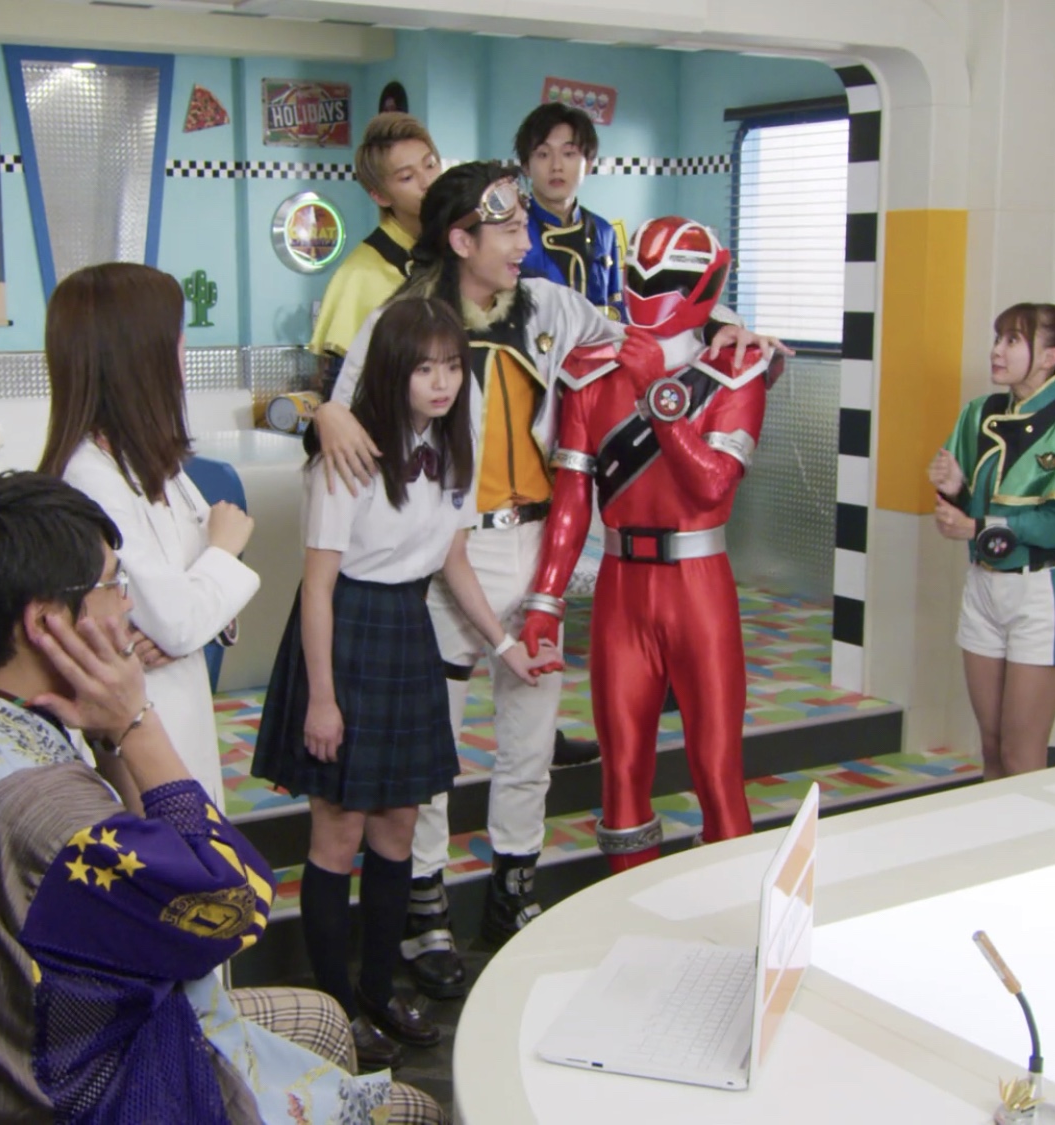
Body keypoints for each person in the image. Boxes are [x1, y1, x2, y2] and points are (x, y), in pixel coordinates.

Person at [312, 162, 783, 999]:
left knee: (529, 737)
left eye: (523, 226)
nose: (523, 241)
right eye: (507, 230)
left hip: (533, 543)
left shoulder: (548, 304)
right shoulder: (401, 320)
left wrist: (732, 329)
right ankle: (425, 902)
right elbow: (349, 411)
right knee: (431, 748)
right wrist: (324, 412)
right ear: (461, 239)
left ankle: (513, 884)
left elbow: (643, 327)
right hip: (440, 555)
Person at [0, 471, 442, 1125]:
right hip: (69, 1089)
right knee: (415, 1110)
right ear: (46, 623)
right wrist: (136, 721)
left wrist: (108, 738)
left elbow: (138, 855)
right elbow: (234, 906)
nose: (127, 606)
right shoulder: (46, 809)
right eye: (113, 584)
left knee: (322, 1020)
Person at [254, 297, 539, 1069]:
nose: (442, 383)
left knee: (397, 828)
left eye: (451, 367)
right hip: (345, 630)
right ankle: (336, 1009)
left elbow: (451, 559)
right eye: (424, 369)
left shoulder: (453, 445)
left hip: (407, 629)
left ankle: (378, 991)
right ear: (391, 371)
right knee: (338, 832)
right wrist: (321, 699)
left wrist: (503, 643)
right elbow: (317, 587)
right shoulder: (347, 455)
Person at [519, 217, 774, 871]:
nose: (650, 290)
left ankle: (731, 905)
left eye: (671, 279)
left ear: (706, 282)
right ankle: (626, 910)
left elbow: (709, 486)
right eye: (640, 274)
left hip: (699, 584)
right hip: (621, 587)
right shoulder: (588, 373)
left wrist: (657, 394)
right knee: (622, 772)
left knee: (716, 769)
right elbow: (572, 500)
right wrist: (546, 598)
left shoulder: (736, 371)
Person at [38, 262, 258, 808]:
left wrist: (198, 618)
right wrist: (223, 552)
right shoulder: (89, 476)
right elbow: (182, 614)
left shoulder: (151, 459)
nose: (184, 352)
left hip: (177, 701)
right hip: (136, 721)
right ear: (139, 354)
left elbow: (188, 614)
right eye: (176, 338)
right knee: (168, 846)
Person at [929, 303, 1055, 779]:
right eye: (997, 338)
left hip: (1040, 594)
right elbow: (971, 508)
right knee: (992, 748)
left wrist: (977, 527)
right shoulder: (979, 413)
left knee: (1021, 753)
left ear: (1050, 357)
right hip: (982, 588)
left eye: (1012, 340)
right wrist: (955, 490)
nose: (996, 350)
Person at [309, 112, 443, 395]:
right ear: (380, 196)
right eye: (407, 177)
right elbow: (339, 390)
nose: (427, 182)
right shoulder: (359, 274)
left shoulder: (463, 249)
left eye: (430, 165)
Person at [514, 102, 624, 321]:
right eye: (543, 154)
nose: (556, 166)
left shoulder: (604, 231)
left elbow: (615, 311)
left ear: (588, 164)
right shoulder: (511, 229)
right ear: (526, 166)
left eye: (568, 153)